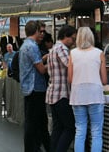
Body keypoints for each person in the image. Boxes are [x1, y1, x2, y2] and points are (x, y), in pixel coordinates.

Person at [68, 26, 106, 152]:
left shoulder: (72, 54)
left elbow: (70, 79)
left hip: (77, 95)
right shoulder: (99, 53)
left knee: (80, 131)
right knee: (96, 132)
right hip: (95, 95)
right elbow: (104, 80)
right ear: (91, 37)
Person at [19, 20, 50, 152]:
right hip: (35, 88)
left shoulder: (26, 45)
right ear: (36, 31)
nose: (42, 34)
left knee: (35, 121)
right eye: (40, 31)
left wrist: (44, 58)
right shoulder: (32, 46)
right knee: (34, 123)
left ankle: (41, 147)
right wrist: (52, 63)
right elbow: (41, 70)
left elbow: (34, 63)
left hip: (29, 88)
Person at [46, 25, 76, 152]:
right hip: (62, 94)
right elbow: (70, 65)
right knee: (70, 128)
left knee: (58, 128)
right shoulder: (61, 49)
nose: (73, 42)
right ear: (65, 36)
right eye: (73, 39)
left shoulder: (53, 49)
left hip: (53, 93)